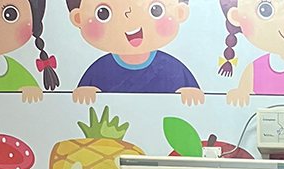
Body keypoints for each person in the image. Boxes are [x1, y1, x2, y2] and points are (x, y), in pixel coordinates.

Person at [68, 0, 204, 104]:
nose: (128, 15)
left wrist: (190, 94)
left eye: (156, 9)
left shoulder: (172, 67)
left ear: (180, 12)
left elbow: (193, 92)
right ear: (78, 19)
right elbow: (81, 94)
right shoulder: (100, 69)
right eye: (103, 13)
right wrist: (85, 93)